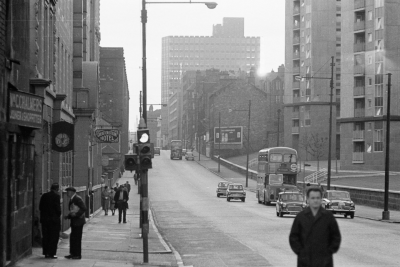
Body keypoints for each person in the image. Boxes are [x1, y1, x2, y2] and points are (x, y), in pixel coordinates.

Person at [289, 187, 341, 267]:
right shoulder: (300, 217)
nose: (315, 200)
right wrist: (301, 252)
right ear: (308, 199)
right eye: (313, 198)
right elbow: (293, 237)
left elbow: (336, 236)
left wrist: (329, 251)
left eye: (318, 198)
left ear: (321, 199)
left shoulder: (328, 217)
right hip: (305, 262)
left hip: (324, 262)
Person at [39, 183, 61, 259]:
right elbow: (58, 209)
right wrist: (58, 215)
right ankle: (52, 253)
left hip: (44, 220)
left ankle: (46, 252)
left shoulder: (44, 196)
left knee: (46, 236)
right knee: (54, 237)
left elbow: (40, 207)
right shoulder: (56, 196)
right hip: (53, 220)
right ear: (57, 189)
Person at [64, 187, 87, 260]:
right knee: (73, 238)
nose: (67, 193)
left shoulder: (77, 198)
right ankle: (72, 253)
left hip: (78, 222)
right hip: (74, 221)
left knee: (77, 238)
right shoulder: (72, 199)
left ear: (72, 192)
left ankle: (77, 254)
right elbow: (73, 210)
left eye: (68, 191)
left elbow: (83, 208)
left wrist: (76, 215)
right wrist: (68, 216)